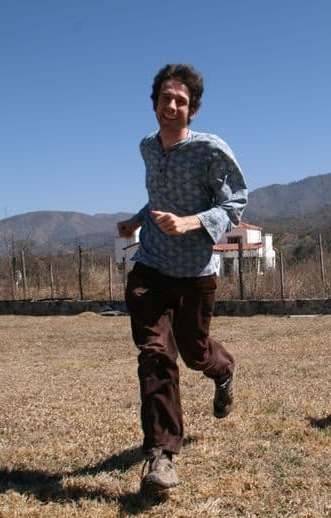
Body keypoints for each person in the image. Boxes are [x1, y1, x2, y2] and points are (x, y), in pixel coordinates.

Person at [117, 63, 247, 493]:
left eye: (181, 101)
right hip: (151, 265)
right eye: (165, 98)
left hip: (195, 273)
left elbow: (235, 204)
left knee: (194, 351)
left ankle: (224, 372)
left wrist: (191, 222)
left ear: (192, 109)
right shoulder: (146, 148)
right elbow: (157, 197)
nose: (171, 106)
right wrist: (136, 221)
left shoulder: (210, 150)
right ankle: (162, 455)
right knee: (155, 354)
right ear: (154, 103)